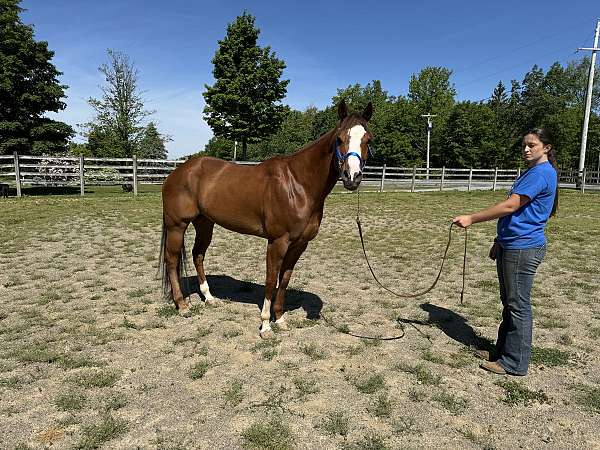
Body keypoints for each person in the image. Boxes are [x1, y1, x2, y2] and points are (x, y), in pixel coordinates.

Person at [453, 128, 558, 376]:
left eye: (532, 145)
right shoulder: (533, 172)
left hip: (523, 248)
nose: (526, 149)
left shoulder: (541, 173)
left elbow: (511, 206)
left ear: (546, 148)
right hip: (512, 244)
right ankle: (502, 351)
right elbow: (521, 214)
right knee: (510, 302)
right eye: (524, 145)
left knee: (517, 304)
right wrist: (500, 240)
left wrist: (471, 218)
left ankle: (514, 362)